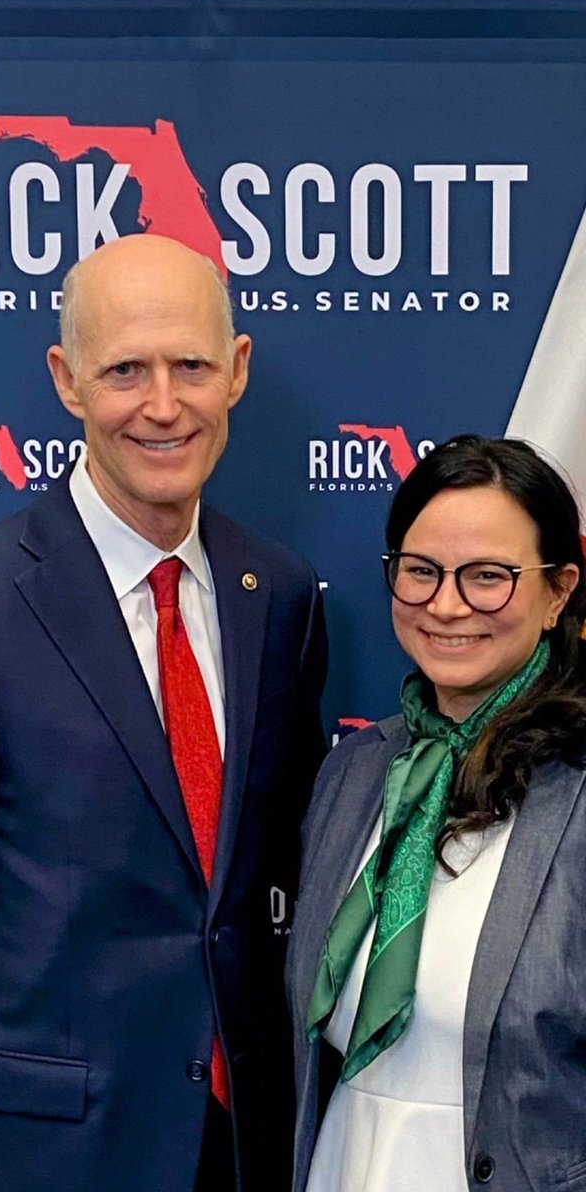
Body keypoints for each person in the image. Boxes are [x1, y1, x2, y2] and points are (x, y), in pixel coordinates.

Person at [0, 233, 328, 1191]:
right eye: (126, 369)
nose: (163, 405)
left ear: (238, 372)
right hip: (52, 1159)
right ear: (68, 380)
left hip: (250, 1145)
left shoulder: (281, 596)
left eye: (192, 366)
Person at [287, 435, 586, 1191]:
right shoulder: (354, 773)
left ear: (558, 592)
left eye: (489, 577)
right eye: (421, 572)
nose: (447, 605)